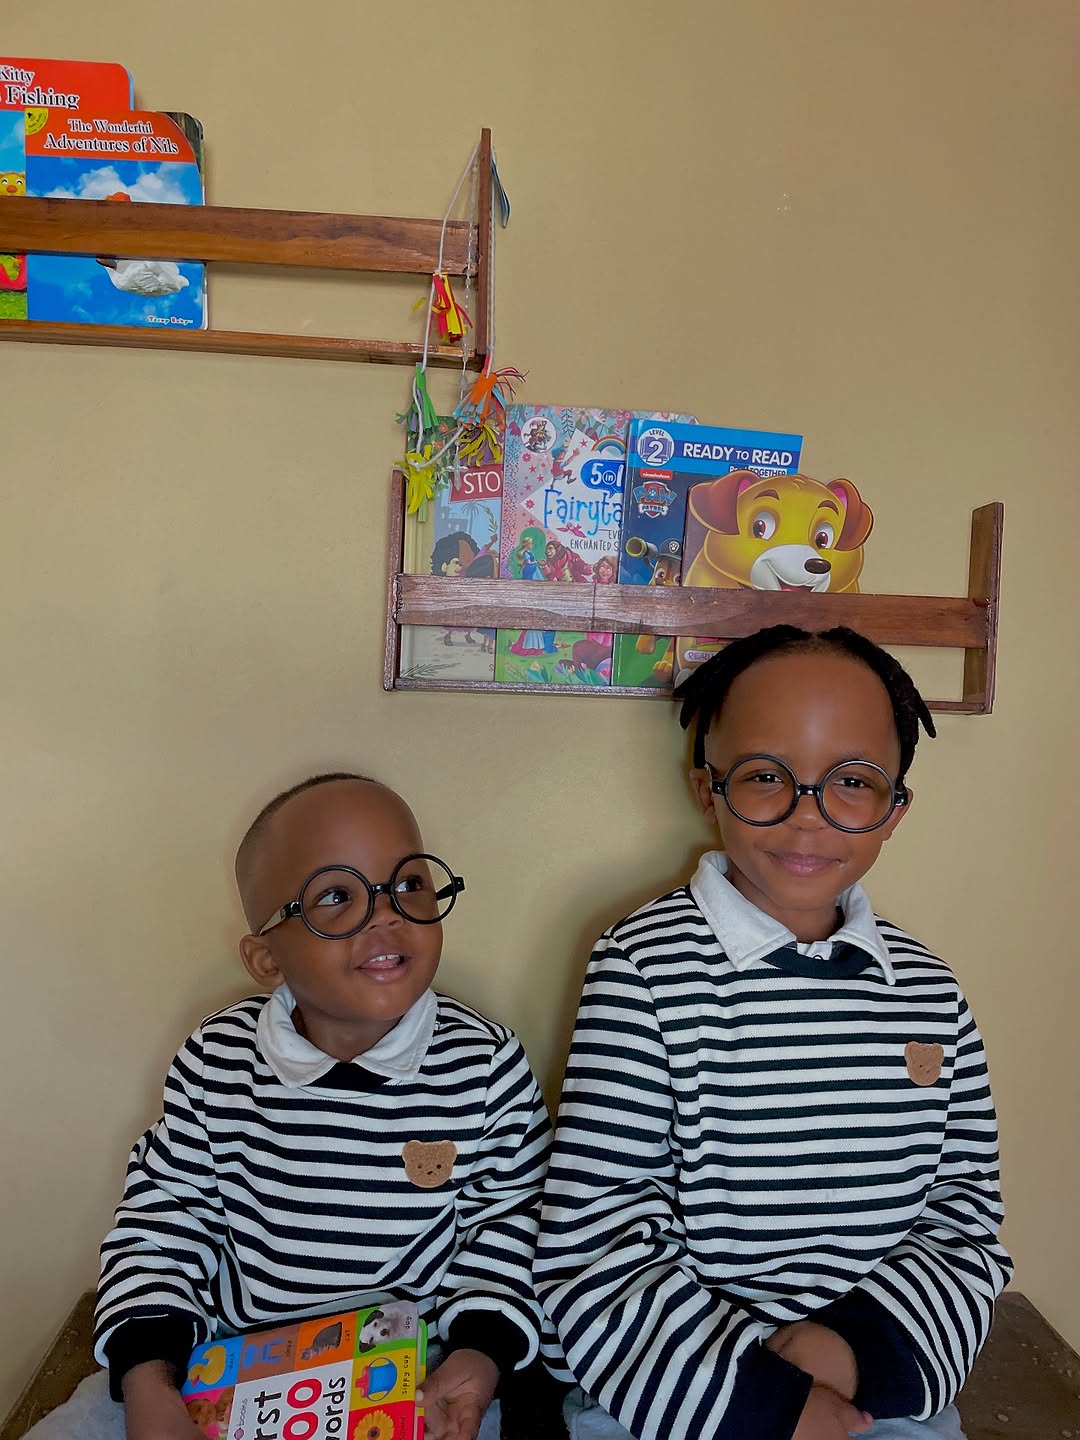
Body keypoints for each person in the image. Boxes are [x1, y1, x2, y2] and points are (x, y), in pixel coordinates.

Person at [535, 626, 1012, 1440]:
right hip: (673, 1393)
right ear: (706, 787)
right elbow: (596, 1231)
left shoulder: (930, 991)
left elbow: (963, 1217)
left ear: (896, 809)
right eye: (765, 776)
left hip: (879, 1389)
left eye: (852, 782)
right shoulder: (644, 969)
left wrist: (850, 1355)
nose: (807, 816)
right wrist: (761, 1400)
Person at [28, 774, 556, 1440]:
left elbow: (511, 1224)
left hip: (417, 1371)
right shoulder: (216, 1058)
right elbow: (165, 1220)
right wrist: (148, 1381)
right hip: (230, 1367)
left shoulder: (484, 1063)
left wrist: (480, 1354)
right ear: (266, 958)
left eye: (409, 883)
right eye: (337, 896)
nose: (387, 914)